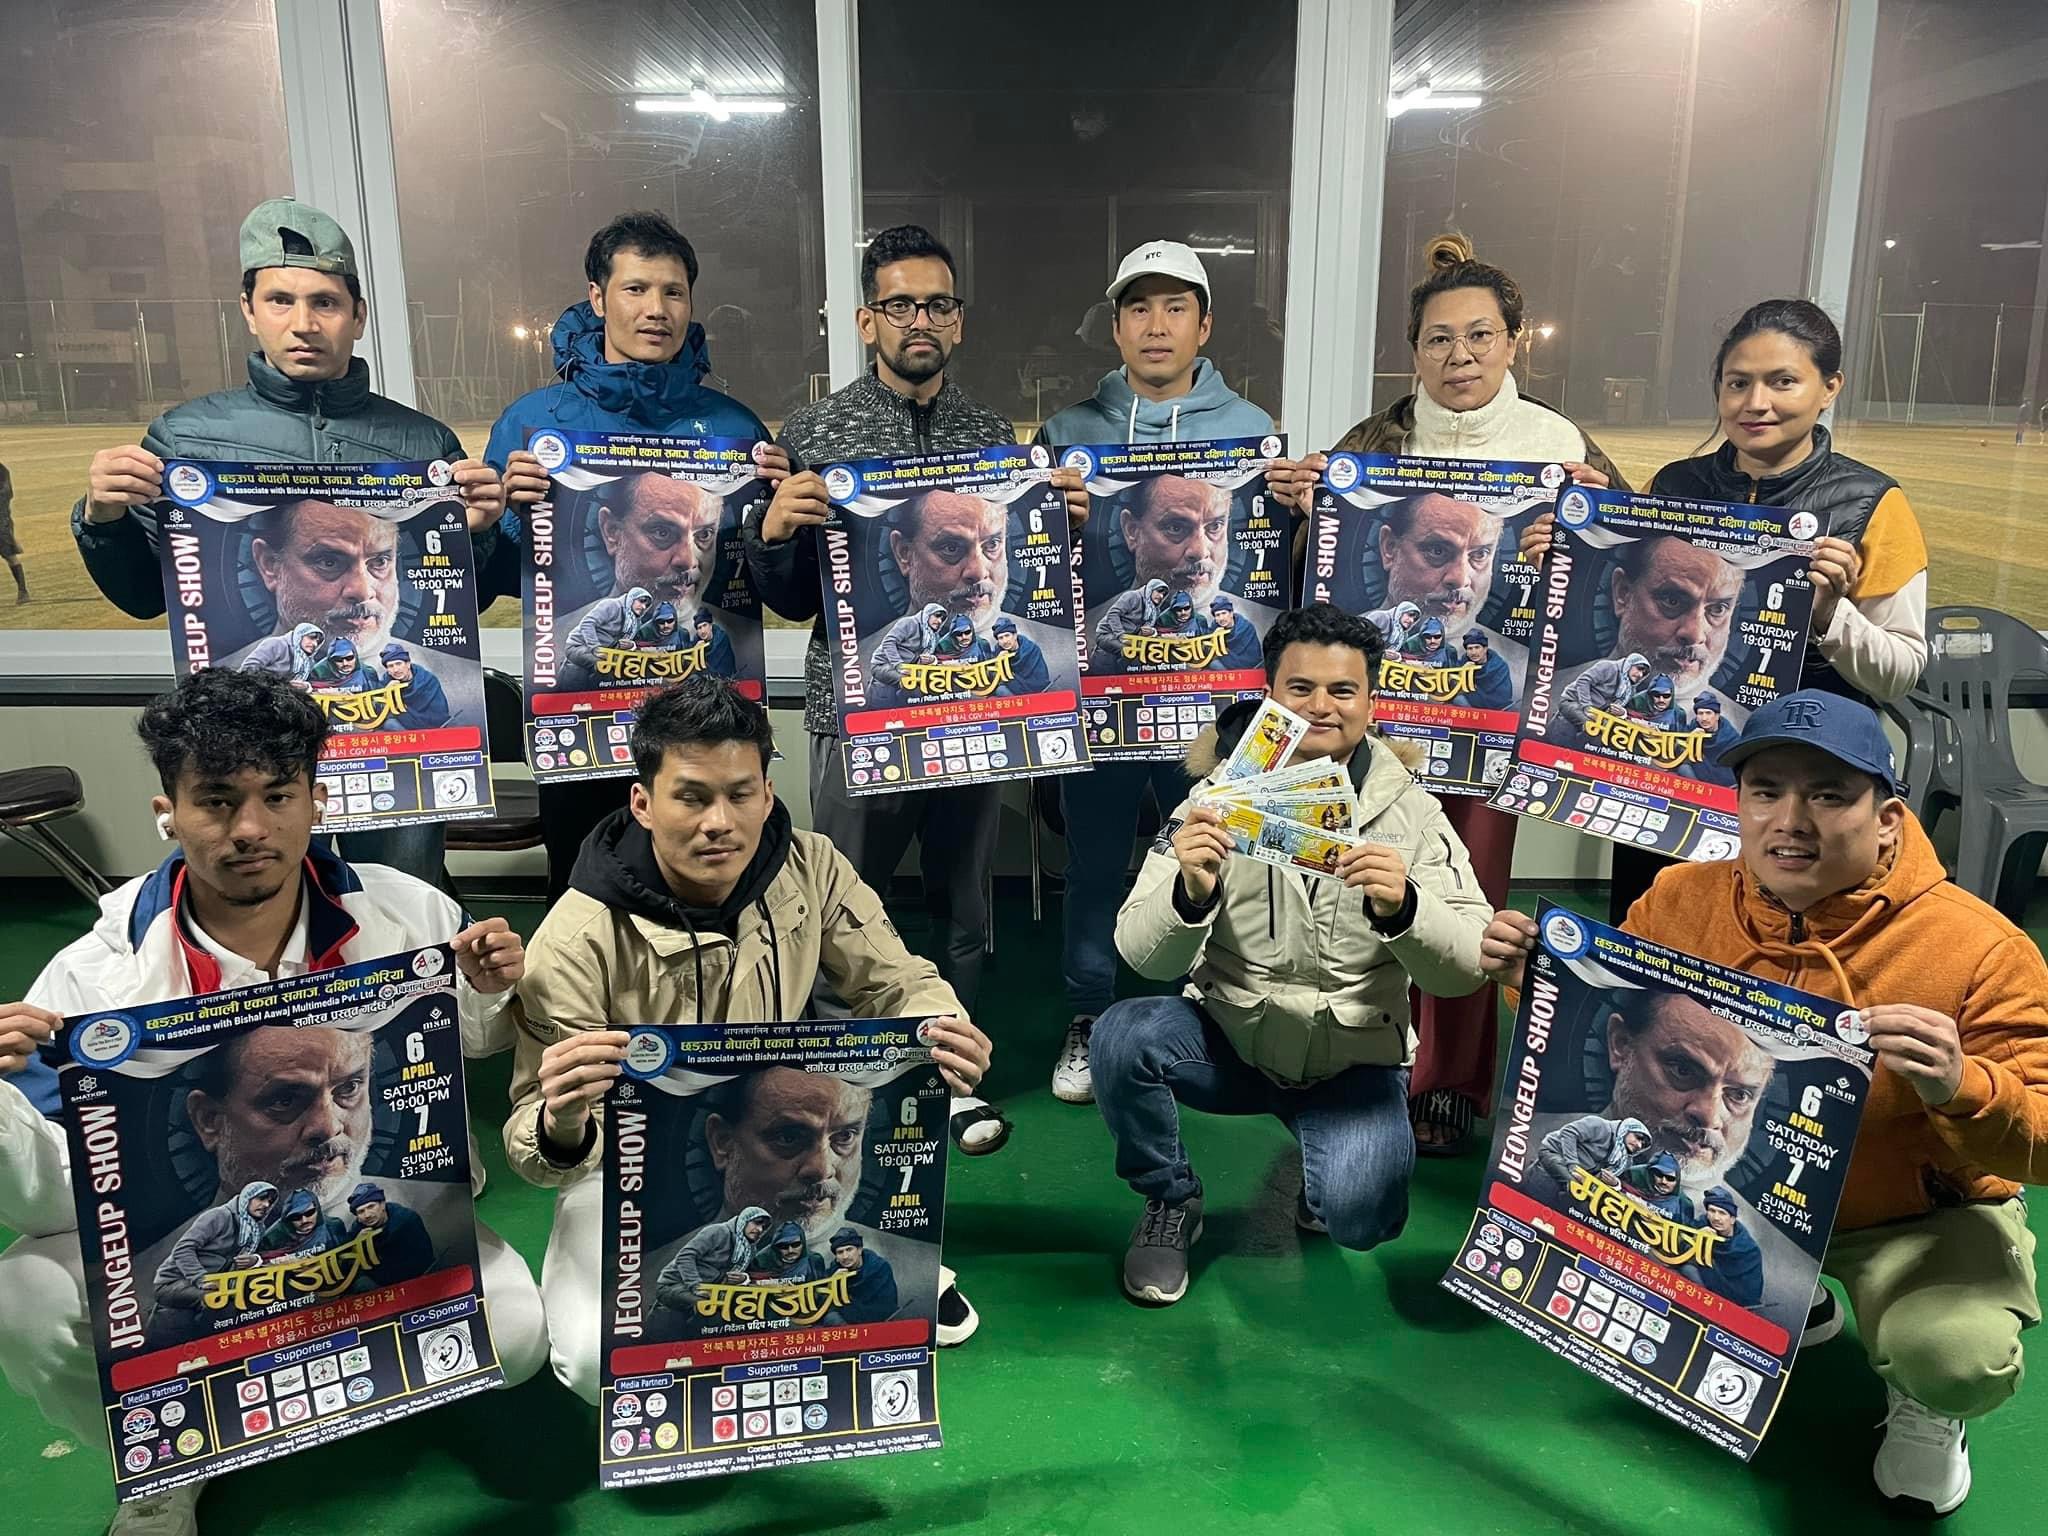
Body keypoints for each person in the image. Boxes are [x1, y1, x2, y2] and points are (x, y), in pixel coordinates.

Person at [0, 668, 544, 1536]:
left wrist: (486, 990)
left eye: (277, 796)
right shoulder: (94, 974)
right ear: (168, 812)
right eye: (216, 801)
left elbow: (470, 1047)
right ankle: (166, 1463)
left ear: (316, 802)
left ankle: (313, 1388)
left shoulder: (407, 910)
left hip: (364, 1231)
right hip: (198, 1257)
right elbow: (44, 1206)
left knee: (513, 1337)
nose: (250, 828)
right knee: (27, 1296)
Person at [1480, 690, 2048, 1513]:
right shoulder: (1681, 898)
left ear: (1888, 819)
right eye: (1766, 791)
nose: (1790, 821)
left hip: (1910, 1216)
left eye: (1828, 795)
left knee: (1956, 1355)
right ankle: (1794, 1302)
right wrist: (1534, 981)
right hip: (1738, 1200)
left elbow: (2041, 1142)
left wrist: (1964, 1086)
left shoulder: (1982, 947)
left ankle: (1929, 1404)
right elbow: (1612, 1019)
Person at [502, 676, 994, 1403]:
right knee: (592, 1362)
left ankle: (815, 1262)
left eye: (740, 794)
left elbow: (898, 981)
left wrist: (943, 1027)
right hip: (622, 1168)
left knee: (884, 1295)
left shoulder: (812, 866)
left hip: (779, 1132)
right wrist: (562, 1122)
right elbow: (533, 1148)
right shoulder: (574, 939)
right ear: (643, 802)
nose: (719, 822)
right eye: (691, 797)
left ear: (767, 793)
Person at [1273, 234, 1630, 1158]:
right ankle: (1355, 1060)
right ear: (1414, 350)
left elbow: (1627, 584)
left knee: (1470, 893)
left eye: (1480, 335)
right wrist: (1299, 506)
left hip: (1493, 719)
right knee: (1364, 881)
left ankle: (1451, 1083)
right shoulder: (1371, 445)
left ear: (1514, 342)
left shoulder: (1562, 447)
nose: (1459, 355)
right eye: (1438, 338)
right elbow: (1310, 575)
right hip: (1380, 718)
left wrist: (1593, 537)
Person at [72, 198, 503, 889]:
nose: (304, 323)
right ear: (249, 309)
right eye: (281, 300)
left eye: (325, 302)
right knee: (260, 912)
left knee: (398, 905)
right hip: (250, 755)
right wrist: (104, 517)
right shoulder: (188, 437)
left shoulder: (422, 442)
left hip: (391, 754)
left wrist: (476, 534)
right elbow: (143, 597)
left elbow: (458, 608)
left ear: (358, 315)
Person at [1092, 604, 1491, 1305]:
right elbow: (1141, 955)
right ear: (1270, 695)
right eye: (1300, 688)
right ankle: (1171, 1197)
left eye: (1343, 690)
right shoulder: (1213, 800)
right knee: (1122, 1036)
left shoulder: (1412, 812)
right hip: (1232, 1040)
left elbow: (1464, 970)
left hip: (1352, 1058)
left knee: (1361, 1219)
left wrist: (1405, 909)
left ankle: (1324, 1175)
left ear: (1371, 702)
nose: (1321, 707)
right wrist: (1190, 893)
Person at [743, 226, 1039, 1152]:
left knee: (963, 906)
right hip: (857, 714)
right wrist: (775, 534)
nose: (921, 320)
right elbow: (794, 599)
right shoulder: (814, 435)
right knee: (841, 903)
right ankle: (846, 1083)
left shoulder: (993, 438)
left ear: (959, 321)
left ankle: (948, 1078)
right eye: (901, 304)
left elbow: (1019, 583)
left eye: (938, 304)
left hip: (971, 709)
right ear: (867, 320)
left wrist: (1056, 522)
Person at [1033, 240, 1281, 1105]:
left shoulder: (1251, 430)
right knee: (1096, 864)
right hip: (1101, 696)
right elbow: (1031, 568)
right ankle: (1089, 1013)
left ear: (1204, 325)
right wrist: (1049, 516)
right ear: (1115, 325)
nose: (1156, 325)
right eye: (1139, 307)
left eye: (1176, 307)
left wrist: (1299, 506)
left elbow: (1269, 562)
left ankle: (1203, 1018)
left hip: (1212, 701)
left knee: (1212, 853)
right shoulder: (1070, 432)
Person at [1587, 299, 1929, 923]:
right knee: (1657, 935)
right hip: (1669, 772)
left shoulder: (1872, 502)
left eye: (1783, 381)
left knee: (1778, 952)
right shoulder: (1675, 486)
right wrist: (1571, 539)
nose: (1756, 403)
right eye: (1738, 383)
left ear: (1830, 388)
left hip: (1800, 788)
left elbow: (1900, 672)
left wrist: (1828, 617)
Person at [485, 210, 783, 908]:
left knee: (709, 898)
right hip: (581, 720)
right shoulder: (534, 423)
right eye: (636, 289)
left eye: (673, 292)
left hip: (701, 726)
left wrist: (776, 524)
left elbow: (758, 583)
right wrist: (495, 517)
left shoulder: (735, 428)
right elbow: (497, 582)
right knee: (584, 904)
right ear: (598, 297)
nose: (657, 309)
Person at [142, 1182, 277, 1346]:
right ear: (247, 1197)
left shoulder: (257, 1229)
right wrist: (202, 1278)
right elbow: (183, 1249)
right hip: (173, 1282)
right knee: (218, 1300)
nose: (266, 1205)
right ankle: (214, 1348)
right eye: (261, 1198)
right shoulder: (219, 1216)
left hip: (218, 1284)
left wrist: (254, 1260)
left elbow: (246, 1260)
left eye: (270, 1201)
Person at [889, 489, 1008, 638]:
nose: (978, 572)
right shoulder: (866, 652)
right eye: (951, 548)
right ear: (904, 553)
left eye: (992, 545)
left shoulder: (1037, 641)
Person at [653, 1207, 772, 1314]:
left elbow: (729, 1277)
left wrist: (743, 1279)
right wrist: (696, 1286)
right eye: (757, 1223)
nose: (760, 1229)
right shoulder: (718, 1231)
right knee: (710, 1308)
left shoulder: (750, 1250)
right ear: (744, 1220)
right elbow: (685, 1256)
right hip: (674, 1284)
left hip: (711, 1290)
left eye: (764, 1227)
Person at [561, 585, 654, 689]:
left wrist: (631, 646)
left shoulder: (636, 622)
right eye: (641, 601)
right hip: (579, 645)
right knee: (604, 667)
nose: (643, 607)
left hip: (606, 652)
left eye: (647, 605)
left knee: (626, 669)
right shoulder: (612, 605)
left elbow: (619, 643)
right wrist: (595, 648)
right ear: (632, 598)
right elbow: (587, 623)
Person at [346, 1181, 435, 1288]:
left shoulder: (406, 1220)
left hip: (415, 1279)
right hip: (381, 1281)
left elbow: (422, 1261)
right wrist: (357, 1245)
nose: (367, 1215)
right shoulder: (358, 1228)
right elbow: (348, 1262)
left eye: (371, 1206)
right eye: (361, 1212)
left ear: (382, 1204)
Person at [1687, 1185, 1764, 1308]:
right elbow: (1678, 1248)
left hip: (1733, 1304)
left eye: (1722, 1213)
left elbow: (1750, 1293)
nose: (1716, 1218)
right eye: (1712, 1211)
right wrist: (1695, 1239)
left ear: (1732, 1219)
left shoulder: (1749, 1250)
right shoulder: (1700, 1224)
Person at [1534, 1113, 1650, 1190]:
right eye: (1638, 1137)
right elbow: (1569, 1132)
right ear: (1626, 1129)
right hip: (1554, 1152)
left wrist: (1615, 1184)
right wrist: (1573, 1166)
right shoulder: (1600, 1125)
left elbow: (1597, 1178)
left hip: (1582, 1175)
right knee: (1574, 1189)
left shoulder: (1626, 1162)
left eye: (1643, 1145)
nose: (1639, 1145)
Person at [1556, 652, 1650, 735]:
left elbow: (1612, 709)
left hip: (1597, 714)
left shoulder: (1630, 690)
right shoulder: (1609, 667)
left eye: (1644, 673)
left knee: (1612, 732)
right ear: (1629, 664)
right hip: (1573, 701)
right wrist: (1587, 707)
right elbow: (1583, 681)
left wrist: (1622, 713)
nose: (1640, 674)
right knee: (1592, 727)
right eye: (1639, 668)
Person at [1091, 577, 1170, 670]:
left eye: (1164, 594)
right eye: (1159, 591)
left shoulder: (1155, 610)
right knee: (1129, 652)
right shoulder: (1132, 596)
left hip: (1130, 639)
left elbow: (1143, 629)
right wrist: (1121, 635)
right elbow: (1113, 614)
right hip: (1107, 634)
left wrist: (1151, 632)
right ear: (1150, 589)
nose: (1161, 596)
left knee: (1146, 654)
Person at [255, 1188, 348, 1261]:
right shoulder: (273, 1237)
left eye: (309, 1213)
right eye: (296, 1217)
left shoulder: (333, 1226)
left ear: (317, 1209)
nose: (304, 1220)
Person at [830, 1227, 899, 1325]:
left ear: (859, 1250)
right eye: (840, 1252)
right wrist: (832, 1284)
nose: (845, 1256)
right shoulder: (834, 1271)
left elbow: (887, 1306)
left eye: (849, 1250)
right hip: (849, 1324)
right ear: (836, 1257)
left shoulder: (879, 1268)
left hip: (878, 1322)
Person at [381, 644, 450, 730]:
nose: (396, 670)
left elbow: (439, 713)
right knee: (390, 724)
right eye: (390, 666)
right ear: (388, 670)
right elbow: (379, 712)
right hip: (405, 726)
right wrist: (386, 693)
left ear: (408, 664)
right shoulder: (386, 682)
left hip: (430, 724)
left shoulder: (427, 680)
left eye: (398, 664)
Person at [1619, 1150, 1696, 1224]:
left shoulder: (1683, 1204)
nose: (1663, 1181)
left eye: (1670, 1178)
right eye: (1659, 1175)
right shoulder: (1631, 1178)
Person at [239, 621, 325, 684]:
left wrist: (306, 687)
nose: (315, 644)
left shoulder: (309, 662)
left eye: (318, 642)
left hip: (280, 695)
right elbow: (248, 667)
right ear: (300, 635)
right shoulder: (277, 644)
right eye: (311, 637)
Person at [1686, 692, 1740, 788]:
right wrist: (1690, 739)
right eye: (1700, 713)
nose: (1704, 718)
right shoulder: (1692, 728)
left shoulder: (1730, 737)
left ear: (1717, 716)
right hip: (1699, 784)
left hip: (1726, 785)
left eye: (1708, 713)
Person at [1453, 628, 1516, 710]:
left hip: (1498, 709)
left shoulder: (1500, 666)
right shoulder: (1462, 664)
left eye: (1477, 647)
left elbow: (1504, 697)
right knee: (1458, 700)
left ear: (1485, 649)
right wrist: (1462, 673)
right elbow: (1452, 687)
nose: (1474, 652)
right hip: (1472, 709)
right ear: (1467, 652)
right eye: (1470, 648)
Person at [753, 1221, 828, 1284]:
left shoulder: (813, 1260)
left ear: (803, 1243)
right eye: (784, 1246)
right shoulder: (761, 1261)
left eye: (795, 1244)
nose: (790, 1250)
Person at [991, 615, 1050, 696]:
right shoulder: (998, 652)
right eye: (1001, 638)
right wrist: (998, 663)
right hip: (1013, 689)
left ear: (1015, 635)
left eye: (1007, 635)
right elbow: (994, 677)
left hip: (1035, 689)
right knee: (1000, 690)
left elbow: (1041, 679)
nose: (1005, 641)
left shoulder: (1031, 649)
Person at [1208, 595, 1263, 671]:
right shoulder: (1214, 629)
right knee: (1214, 664)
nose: (1221, 618)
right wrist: (1214, 638)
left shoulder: (1246, 627)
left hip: (1247, 666)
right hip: (1226, 664)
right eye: (1217, 615)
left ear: (1231, 613)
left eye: (1224, 613)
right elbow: (1209, 651)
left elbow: (1253, 657)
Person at [0, 452, 25, 602]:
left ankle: (23, 591)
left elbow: (6, 494)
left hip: (1, 521)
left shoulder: (2, 472)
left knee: (9, 555)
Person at [308, 635, 375, 691]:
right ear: (332, 661)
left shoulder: (367, 672)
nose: (345, 663)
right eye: (339, 659)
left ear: (355, 656)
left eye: (349, 658)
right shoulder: (318, 672)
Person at [693, 606, 737, 678]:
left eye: (705, 625)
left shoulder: (722, 638)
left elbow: (724, 665)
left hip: (726, 678)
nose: (703, 631)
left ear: (710, 625)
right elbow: (694, 667)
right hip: (705, 679)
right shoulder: (696, 641)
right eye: (699, 628)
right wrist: (695, 651)